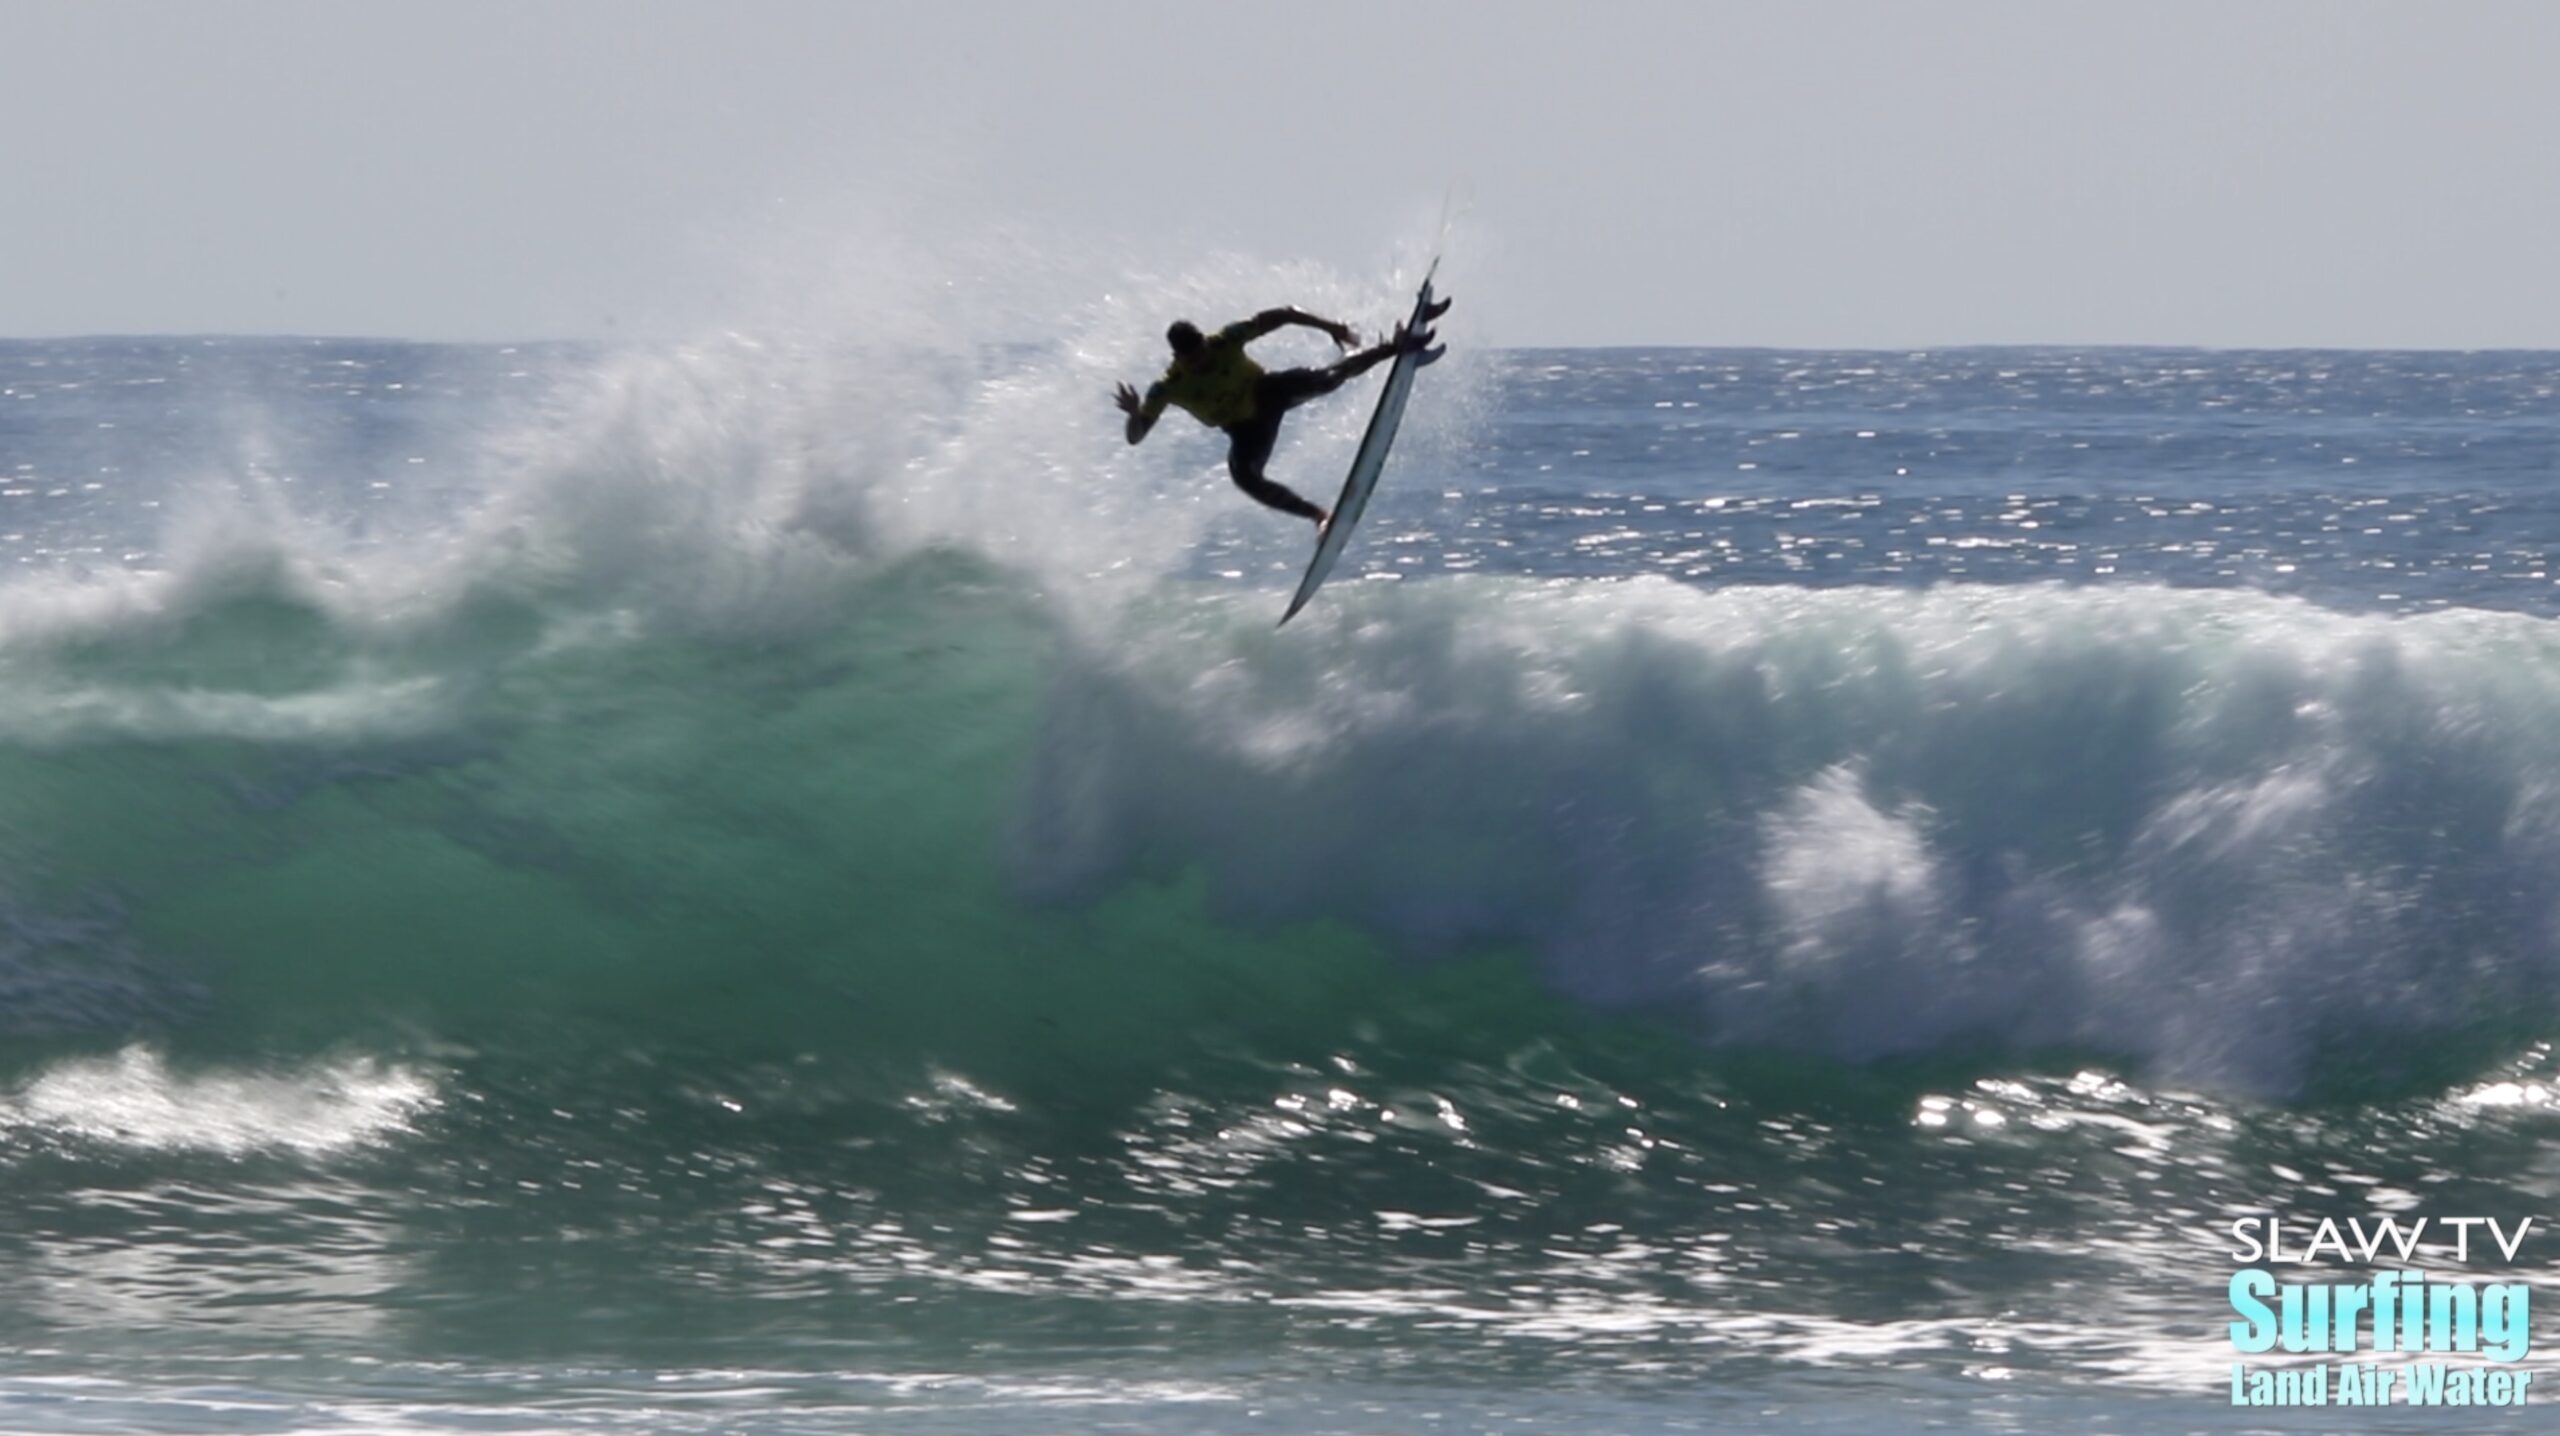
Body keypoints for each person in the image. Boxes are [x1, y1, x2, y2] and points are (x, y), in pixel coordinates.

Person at [1115, 298, 1448, 530]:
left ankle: (1394, 346)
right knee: (1245, 479)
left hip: (1268, 391)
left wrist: (1332, 326)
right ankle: (1319, 516)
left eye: (1203, 350)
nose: (1203, 360)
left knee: (1328, 378)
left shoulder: (1224, 340)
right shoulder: (1168, 387)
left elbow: (1286, 314)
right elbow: (1136, 436)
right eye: (1194, 359)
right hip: (1244, 431)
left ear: (1204, 339)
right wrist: (1133, 414)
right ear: (1178, 358)